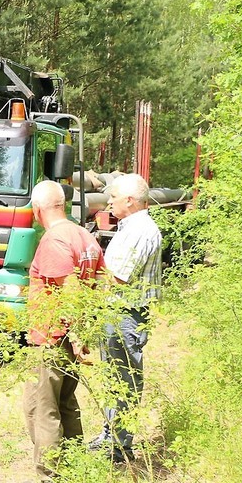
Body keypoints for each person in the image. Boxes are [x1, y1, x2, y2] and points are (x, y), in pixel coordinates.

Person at [22, 180, 105, 483]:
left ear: (37, 209)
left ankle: (53, 480)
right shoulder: (85, 237)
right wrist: (84, 332)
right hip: (70, 339)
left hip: (52, 340)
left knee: (40, 407)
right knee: (66, 403)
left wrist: (73, 334)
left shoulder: (53, 241)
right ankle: (75, 467)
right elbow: (99, 284)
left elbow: (70, 290)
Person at [90, 173, 162, 463]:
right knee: (114, 377)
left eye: (114, 198)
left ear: (130, 201)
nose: (109, 202)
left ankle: (120, 446)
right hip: (119, 312)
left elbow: (118, 277)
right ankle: (111, 435)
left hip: (126, 315)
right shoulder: (130, 226)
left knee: (124, 378)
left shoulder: (141, 230)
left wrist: (84, 267)